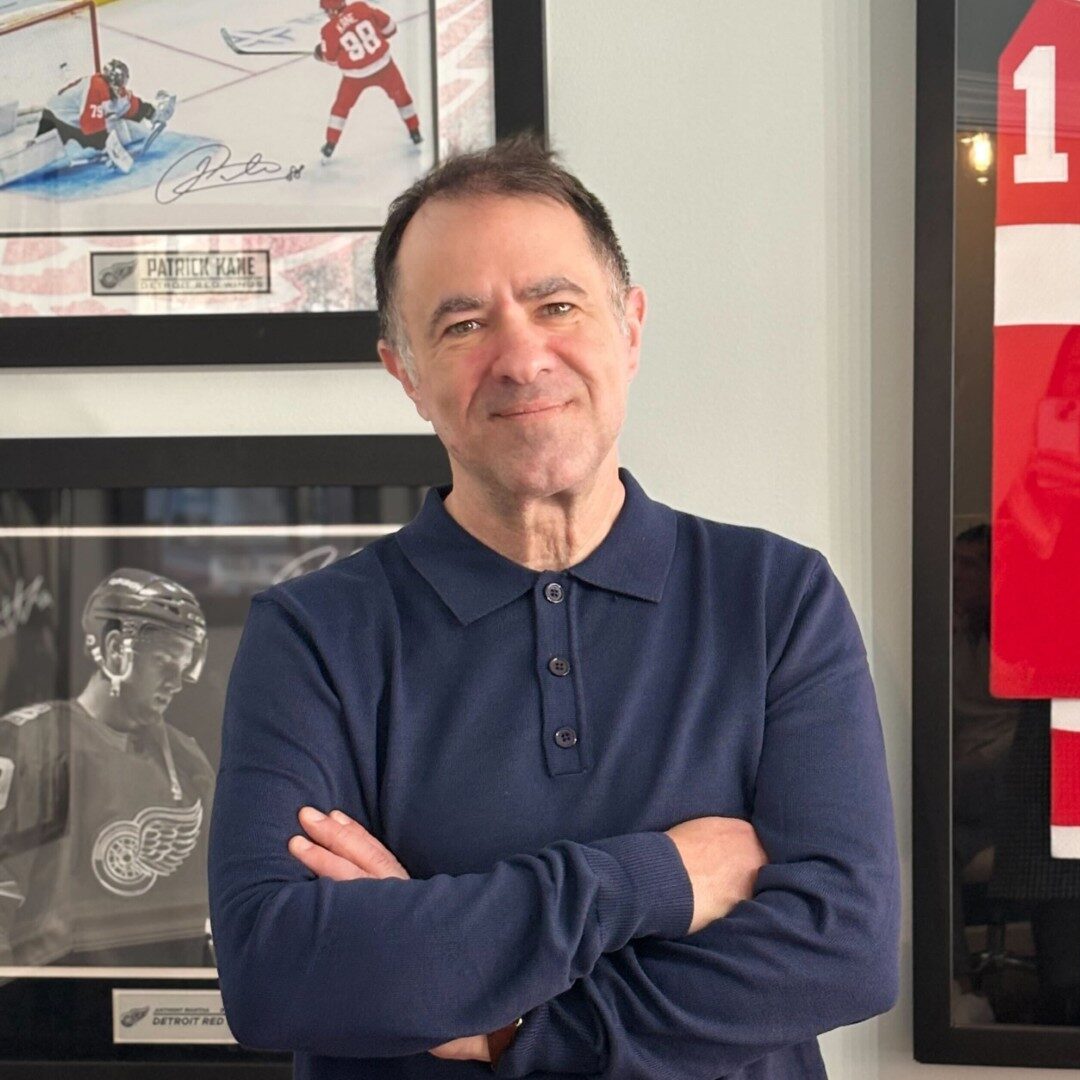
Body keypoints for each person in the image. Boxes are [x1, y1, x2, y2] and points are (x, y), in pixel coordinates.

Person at [209, 136, 900, 1078]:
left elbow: (841, 950)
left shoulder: (777, 597)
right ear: (404, 371)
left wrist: (506, 1029)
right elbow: (277, 973)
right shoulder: (314, 636)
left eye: (556, 305)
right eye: (461, 325)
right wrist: (652, 878)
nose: (522, 356)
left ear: (631, 327)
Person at [0, 568, 215, 967]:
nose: (178, 680)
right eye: (165, 662)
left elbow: (211, 902)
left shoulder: (187, 758)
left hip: (167, 1007)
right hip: (59, 1005)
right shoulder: (33, 742)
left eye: (183, 665)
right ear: (116, 649)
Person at [315, 0, 421, 163]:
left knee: (341, 107)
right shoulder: (361, 7)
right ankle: (415, 131)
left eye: (326, 11)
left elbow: (332, 60)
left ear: (332, 10)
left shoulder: (328, 30)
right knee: (401, 96)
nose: (326, 14)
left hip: (355, 76)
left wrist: (321, 54)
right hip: (384, 66)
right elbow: (390, 27)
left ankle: (330, 144)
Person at [34, 59, 173, 175]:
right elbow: (90, 124)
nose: (120, 89)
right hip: (55, 117)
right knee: (41, 159)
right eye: (117, 85)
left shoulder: (115, 89)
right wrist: (105, 146)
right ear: (110, 81)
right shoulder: (96, 87)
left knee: (115, 133)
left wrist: (151, 113)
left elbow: (128, 106)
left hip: (74, 117)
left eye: (122, 85)